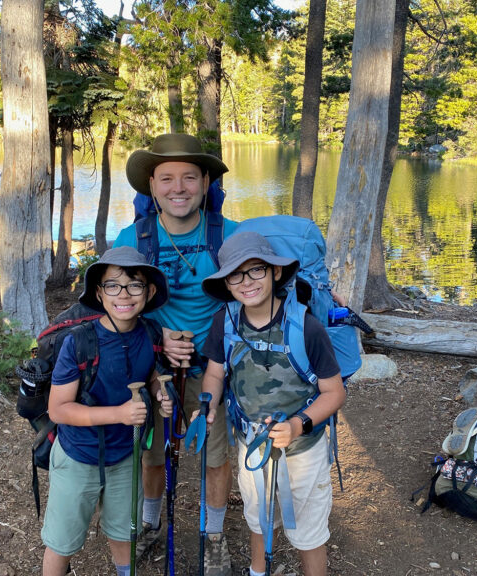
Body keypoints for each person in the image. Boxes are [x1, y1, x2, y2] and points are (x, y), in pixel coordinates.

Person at [113, 133, 238, 575]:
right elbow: (114, 305)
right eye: (167, 178)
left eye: (189, 177)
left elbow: (257, 296)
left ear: (206, 183)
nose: (178, 187)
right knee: (151, 453)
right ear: (151, 185)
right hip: (153, 371)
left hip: (211, 373)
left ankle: (215, 536)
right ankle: (149, 525)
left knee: (215, 456)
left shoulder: (229, 236)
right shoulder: (133, 240)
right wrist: (158, 333)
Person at [199, 232, 346, 576]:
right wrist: (208, 402)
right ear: (226, 282)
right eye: (236, 274)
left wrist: (297, 426)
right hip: (252, 445)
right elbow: (215, 374)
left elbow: (334, 393)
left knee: (308, 531)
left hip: (303, 450)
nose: (246, 282)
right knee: (259, 518)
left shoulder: (305, 327)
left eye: (256, 271)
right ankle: (257, 570)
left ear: (275, 273)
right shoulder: (226, 321)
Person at [41, 246, 173, 576]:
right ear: (99, 294)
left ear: (150, 291)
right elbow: (58, 410)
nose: (124, 294)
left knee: (124, 532)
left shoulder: (151, 333)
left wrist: (161, 393)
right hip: (77, 457)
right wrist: (119, 414)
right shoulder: (79, 342)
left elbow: (152, 375)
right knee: (62, 542)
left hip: (126, 458)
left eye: (134, 285)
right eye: (113, 285)